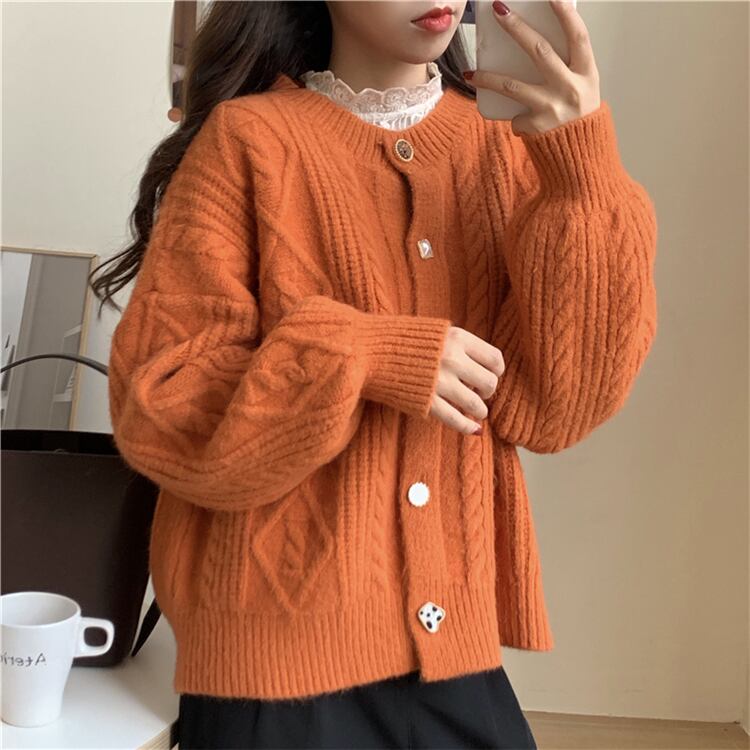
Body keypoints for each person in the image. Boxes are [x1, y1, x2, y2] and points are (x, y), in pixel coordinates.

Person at [89, 1, 657, 747]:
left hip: (454, 652)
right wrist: (364, 354)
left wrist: (582, 177)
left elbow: (553, 409)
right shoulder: (248, 141)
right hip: (271, 668)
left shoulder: (506, 150)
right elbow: (163, 405)